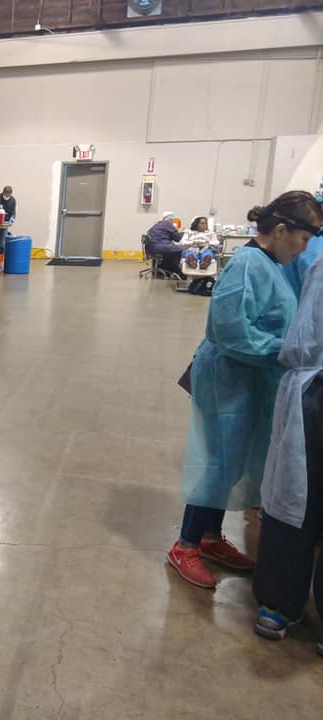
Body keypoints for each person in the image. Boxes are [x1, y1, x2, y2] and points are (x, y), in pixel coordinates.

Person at [166, 191, 322, 590]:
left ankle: (210, 537)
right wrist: (284, 351)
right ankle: (185, 544)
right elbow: (229, 331)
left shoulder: (273, 263)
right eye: (305, 238)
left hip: (248, 377)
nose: (307, 248)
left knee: (234, 460)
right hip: (227, 377)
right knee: (219, 462)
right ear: (283, 230)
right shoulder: (249, 265)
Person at [253, 245, 323, 653]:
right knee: (299, 494)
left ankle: (279, 602)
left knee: (297, 499)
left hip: (311, 386)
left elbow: (302, 337)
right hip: (315, 390)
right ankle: (279, 601)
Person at [146, 211, 186, 278]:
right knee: (178, 250)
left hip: (150, 248)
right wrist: (183, 233)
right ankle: (175, 271)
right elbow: (178, 238)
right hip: (160, 247)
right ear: (171, 219)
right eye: (173, 220)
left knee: (170, 249)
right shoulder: (168, 224)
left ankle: (160, 270)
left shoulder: (157, 224)